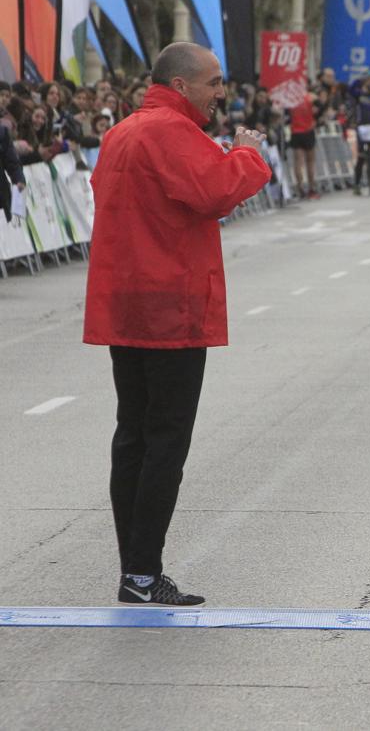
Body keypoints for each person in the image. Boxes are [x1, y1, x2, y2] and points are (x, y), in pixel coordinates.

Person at [82, 42, 270, 606]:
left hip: (127, 305)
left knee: (133, 436)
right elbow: (217, 191)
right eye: (214, 83)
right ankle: (142, 572)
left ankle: (133, 569)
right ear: (183, 84)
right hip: (172, 307)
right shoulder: (169, 131)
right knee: (165, 440)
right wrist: (246, 153)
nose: (221, 93)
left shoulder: (122, 131)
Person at [287, 90, 320, 200]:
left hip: (296, 132)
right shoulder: (310, 97)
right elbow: (319, 108)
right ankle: (311, 189)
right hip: (308, 131)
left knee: (298, 162)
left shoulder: (290, 98)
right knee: (310, 162)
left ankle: (300, 188)